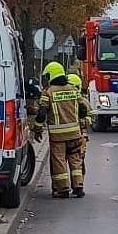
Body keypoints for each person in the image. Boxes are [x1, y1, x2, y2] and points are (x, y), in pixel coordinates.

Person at [30, 62, 86, 199]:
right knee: (75, 159)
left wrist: (37, 129)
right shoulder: (73, 89)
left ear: (51, 75)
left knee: (59, 161)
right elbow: (83, 108)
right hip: (75, 133)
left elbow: (42, 114)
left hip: (58, 136)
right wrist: (79, 121)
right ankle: (78, 186)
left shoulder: (48, 92)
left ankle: (63, 189)